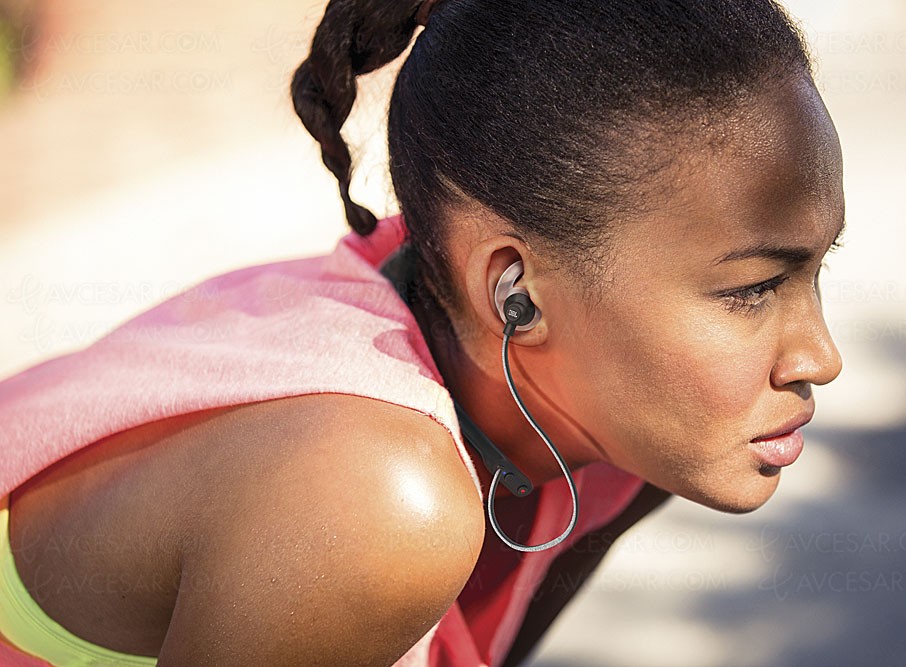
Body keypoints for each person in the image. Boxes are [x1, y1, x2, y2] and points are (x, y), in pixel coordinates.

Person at [0, 0, 846, 664]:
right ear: (514, 292)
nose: (821, 357)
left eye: (815, 271)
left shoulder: (627, 444)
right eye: (752, 289)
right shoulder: (372, 497)